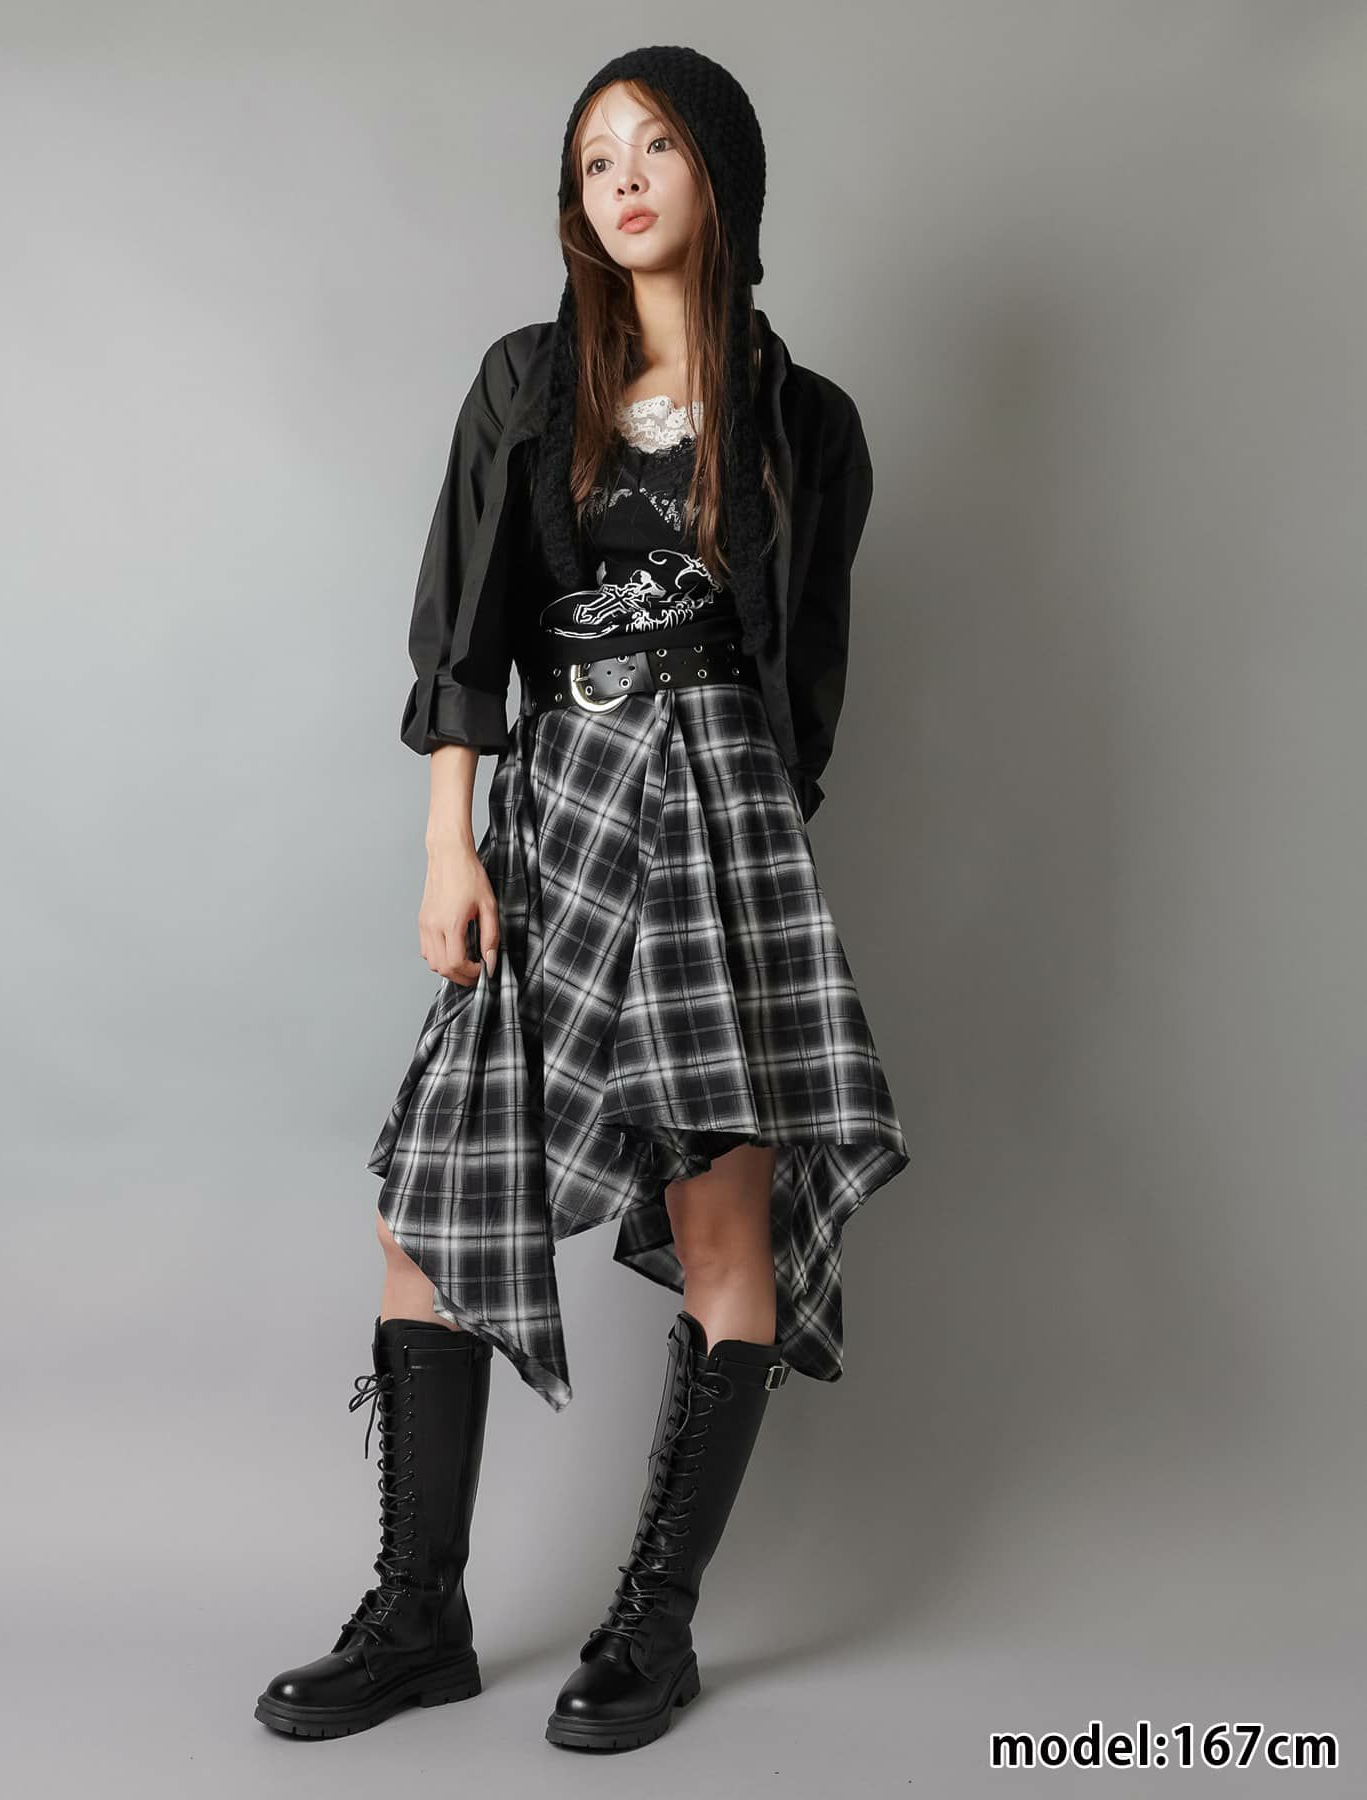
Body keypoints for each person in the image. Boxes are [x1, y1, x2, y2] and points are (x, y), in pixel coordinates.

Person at [254, 43, 910, 1755]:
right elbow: (466, 634)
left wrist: (743, 855)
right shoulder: (528, 383)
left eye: (656, 147)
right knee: (432, 1202)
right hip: (553, 811)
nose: (621, 177)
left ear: (722, 177)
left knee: (725, 1226)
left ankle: (653, 1629)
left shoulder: (809, 423)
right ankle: (419, 1617)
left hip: (722, 831)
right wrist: (450, 842)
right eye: (595, 155)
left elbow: (805, 690)